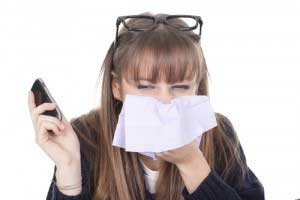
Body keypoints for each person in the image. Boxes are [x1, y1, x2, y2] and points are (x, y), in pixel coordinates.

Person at [28, 12, 265, 200]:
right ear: (117, 88)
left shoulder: (218, 134)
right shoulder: (86, 137)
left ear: (198, 89)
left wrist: (193, 165)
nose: (164, 100)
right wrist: (68, 168)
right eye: (144, 87)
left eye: (181, 86)